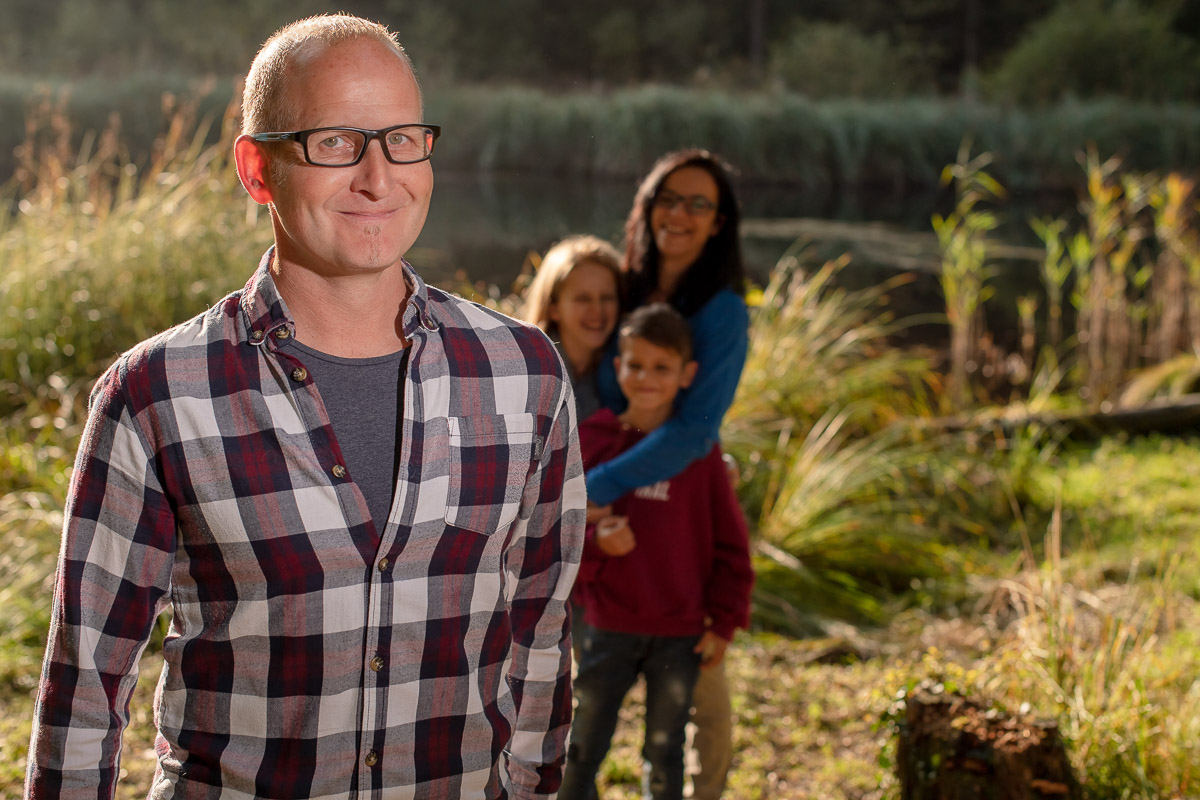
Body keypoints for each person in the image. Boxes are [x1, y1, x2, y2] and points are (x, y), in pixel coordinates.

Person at [25, 14, 585, 800]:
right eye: (335, 143)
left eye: (402, 139)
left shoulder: (524, 374)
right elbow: (86, 685)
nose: (378, 177)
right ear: (258, 170)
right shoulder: (156, 394)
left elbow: (540, 627)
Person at [590, 150, 750, 800]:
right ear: (647, 205)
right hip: (616, 531)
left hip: (678, 512)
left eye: (698, 203)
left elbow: (692, 431)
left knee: (698, 697)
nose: (679, 214)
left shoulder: (722, 312)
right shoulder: (627, 289)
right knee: (595, 684)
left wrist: (593, 488)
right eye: (668, 198)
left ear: (718, 223)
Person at [559, 304, 753, 800]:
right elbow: (561, 537)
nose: (646, 378)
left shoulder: (698, 452)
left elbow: (733, 545)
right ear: (617, 366)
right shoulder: (593, 440)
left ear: (688, 374)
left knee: (665, 750)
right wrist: (600, 545)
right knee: (583, 742)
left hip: (680, 633)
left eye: (661, 367)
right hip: (608, 626)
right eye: (635, 365)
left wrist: (724, 622)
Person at [520, 234, 622, 422]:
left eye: (607, 297)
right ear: (553, 308)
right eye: (583, 299)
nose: (597, 310)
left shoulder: (620, 370)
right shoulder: (530, 373)